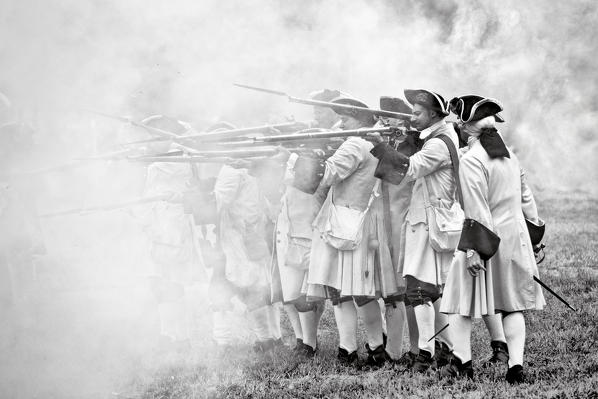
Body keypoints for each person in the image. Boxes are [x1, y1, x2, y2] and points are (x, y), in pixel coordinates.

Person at [439, 95, 545, 383]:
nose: (457, 130)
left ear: (468, 127)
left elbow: (476, 207)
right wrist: (534, 238)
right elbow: (527, 200)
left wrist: (474, 250)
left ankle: (462, 363)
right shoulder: (510, 155)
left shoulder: (472, 160)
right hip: (515, 239)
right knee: (511, 305)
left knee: (459, 303)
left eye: (459, 125)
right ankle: (516, 367)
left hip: (485, 239)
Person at [302, 97, 397, 367]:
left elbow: (326, 175)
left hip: (344, 225)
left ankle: (352, 349)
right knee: (356, 291)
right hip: (359, 223)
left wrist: (301, 156)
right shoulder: (374, 143)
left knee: (345, 292)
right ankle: (372, 348)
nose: (340, 124)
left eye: (345, 119)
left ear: (359, 119)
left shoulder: (354, 143)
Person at [369, 89, 457, 372]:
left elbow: (408, 168)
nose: (412, 117)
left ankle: (426, 355)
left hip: (429, 222)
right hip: (427, 221)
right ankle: (446, 349)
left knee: (419, 292)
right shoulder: (435, 137)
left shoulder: (438, 143)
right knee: (430, 291)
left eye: (417, 113)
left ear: (433, 114)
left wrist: (380, 144)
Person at [372, 96, 421, 365]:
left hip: (405, 223)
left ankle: (417, 350)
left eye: (389, 117)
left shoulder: (413, 144)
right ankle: (393, 351)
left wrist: (377, 143)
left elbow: (396, 172)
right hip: (386, 224)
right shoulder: (392, 142)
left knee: (411, 293)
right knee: (391, 293)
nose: (384, 121)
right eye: (383, 117)